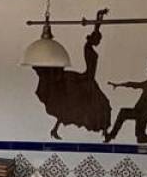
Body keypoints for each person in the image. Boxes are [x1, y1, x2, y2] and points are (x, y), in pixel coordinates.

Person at [33, 9, 112, 138]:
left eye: (99, 39)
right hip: (86, 78)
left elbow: (96, 30)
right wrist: (98, 19)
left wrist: (99, 17)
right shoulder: (88, 47)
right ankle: (105, 132)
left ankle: (104, 132)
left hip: (89, 78)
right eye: (97, 39)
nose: (98, 42)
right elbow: (95, 33)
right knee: (90, 104)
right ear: (93, 39)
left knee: (88, 105)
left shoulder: (90, 47)